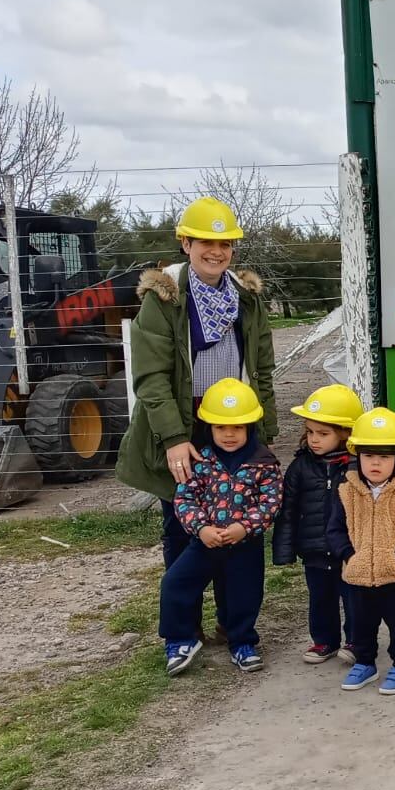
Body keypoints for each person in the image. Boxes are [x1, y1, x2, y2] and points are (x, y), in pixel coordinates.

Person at [118, 196, 277, 645]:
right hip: (184, 424)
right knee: (183, 526)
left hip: (236, 422)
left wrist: (265, 433)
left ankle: (235, 625)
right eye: (206, 241)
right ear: (186, 243)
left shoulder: (245, 298)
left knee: (239, 524)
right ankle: (184, 630)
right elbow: (151, 378)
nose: (216, 251)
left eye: (225, 243)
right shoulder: (164, 299)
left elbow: (262, 368)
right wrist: (172, 438)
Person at [159, 378, 280, 676]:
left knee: (244, 593)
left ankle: (241, 642)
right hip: (205, 542)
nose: (228, 434)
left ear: (250, 427)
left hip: (244, 545)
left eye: (237, 428)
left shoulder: (264, 463)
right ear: (208, 428)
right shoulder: (200, 460)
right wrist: (201, 529)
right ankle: (179, 640)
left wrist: (246, 527)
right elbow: (185, 499)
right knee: (175, 583)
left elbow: (271, 502)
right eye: (220, 428)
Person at [327, 408, 395, 695]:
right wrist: (349, 555)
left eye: (384, 457)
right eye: (369, 456)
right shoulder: (346, 491)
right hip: (357, 575)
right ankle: (365, 662)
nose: (375, 464)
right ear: (358, 456)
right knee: (361, 624)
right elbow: (335, 529)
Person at [273, 383, 362, 665]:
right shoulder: (300, 467)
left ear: (345, 434)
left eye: (323, 434)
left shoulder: (356, 467)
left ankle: (356, 640)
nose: (314, 439)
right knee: (320, 598)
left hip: (348, 549)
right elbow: (287, 510)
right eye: (310, 432)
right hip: (312, 548)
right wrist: (284, 550)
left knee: (353, 598)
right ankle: (324, 640)